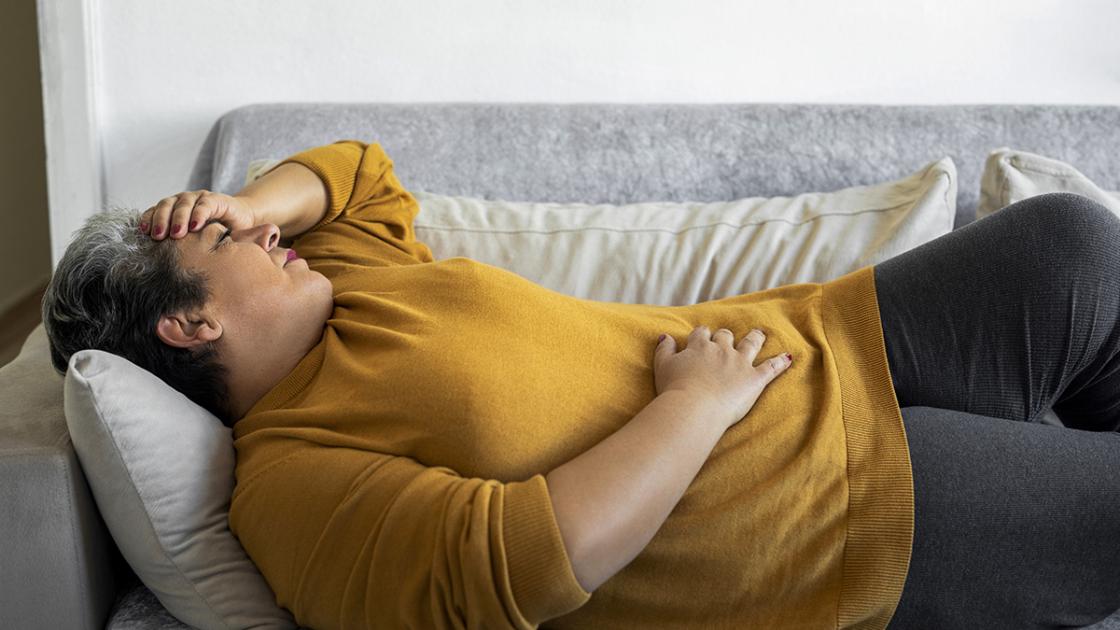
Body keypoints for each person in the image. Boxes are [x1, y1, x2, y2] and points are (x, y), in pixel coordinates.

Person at [40, 139, 1120, 630]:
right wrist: (692, 407)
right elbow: (530, 567)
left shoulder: (348, 286)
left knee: (1073, 248)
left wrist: (246, 200)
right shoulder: (288, 487)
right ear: (191, 320)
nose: (263, 238)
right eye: (229, 244)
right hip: (816, 501)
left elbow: (359, 173)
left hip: (811, 338)